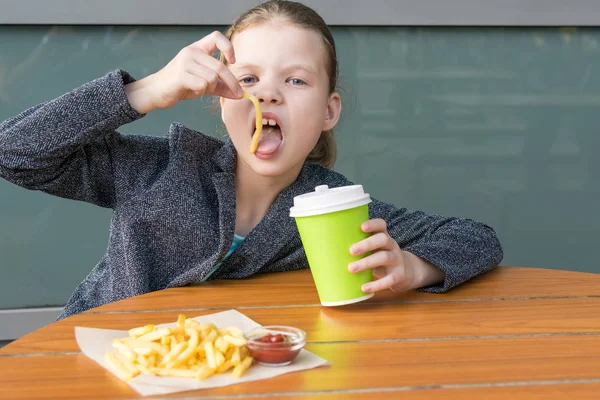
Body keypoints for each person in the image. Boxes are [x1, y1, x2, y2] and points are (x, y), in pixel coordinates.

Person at [0, 0, 503, 320]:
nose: (270, 94)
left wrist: (414, 268)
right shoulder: (160, 169)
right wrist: (147, 90)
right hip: (91, 364)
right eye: (248, 80)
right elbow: (14, 151)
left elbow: (477, 238)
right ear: (220, 97)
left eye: (296, 80)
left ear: (330, 111)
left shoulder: (332, 209)